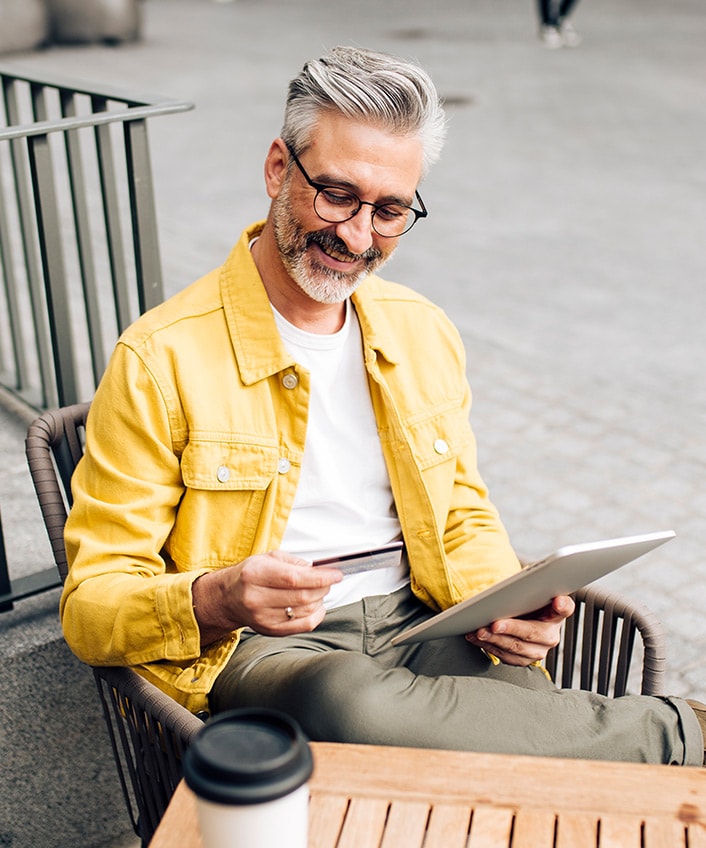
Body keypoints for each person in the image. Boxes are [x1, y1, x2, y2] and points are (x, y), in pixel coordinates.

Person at [60, 46, 705, 765]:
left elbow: (461, 510)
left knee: (524, 709)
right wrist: (218, 598)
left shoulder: (420, 329)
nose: (358, 236)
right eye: (336, 194)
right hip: (267, 651)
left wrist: (505, 600)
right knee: (351, 701)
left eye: (391, 209)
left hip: (424, 623)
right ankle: (686, 734)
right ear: (278, 168)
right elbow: (92, 607)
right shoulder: (161, 356)